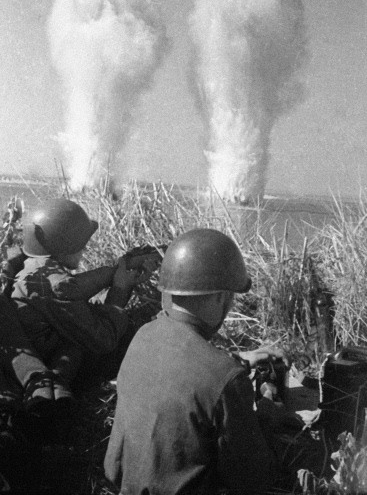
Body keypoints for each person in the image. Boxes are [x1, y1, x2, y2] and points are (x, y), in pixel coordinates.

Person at [104, 227, 287, 495]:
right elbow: (252, 479)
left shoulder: (144, 335)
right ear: (222, 297)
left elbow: (180, 370)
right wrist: (270, 412)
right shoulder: (224, 377)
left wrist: (237, 360)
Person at [8, 198, 156, 422]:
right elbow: (104, 340)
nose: (85, 248)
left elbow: (71, 288)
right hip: (47, 364)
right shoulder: (55, 285)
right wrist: (120, 289)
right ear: (63, 245)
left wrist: (116, 271)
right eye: (80, 243)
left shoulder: (33, 267)